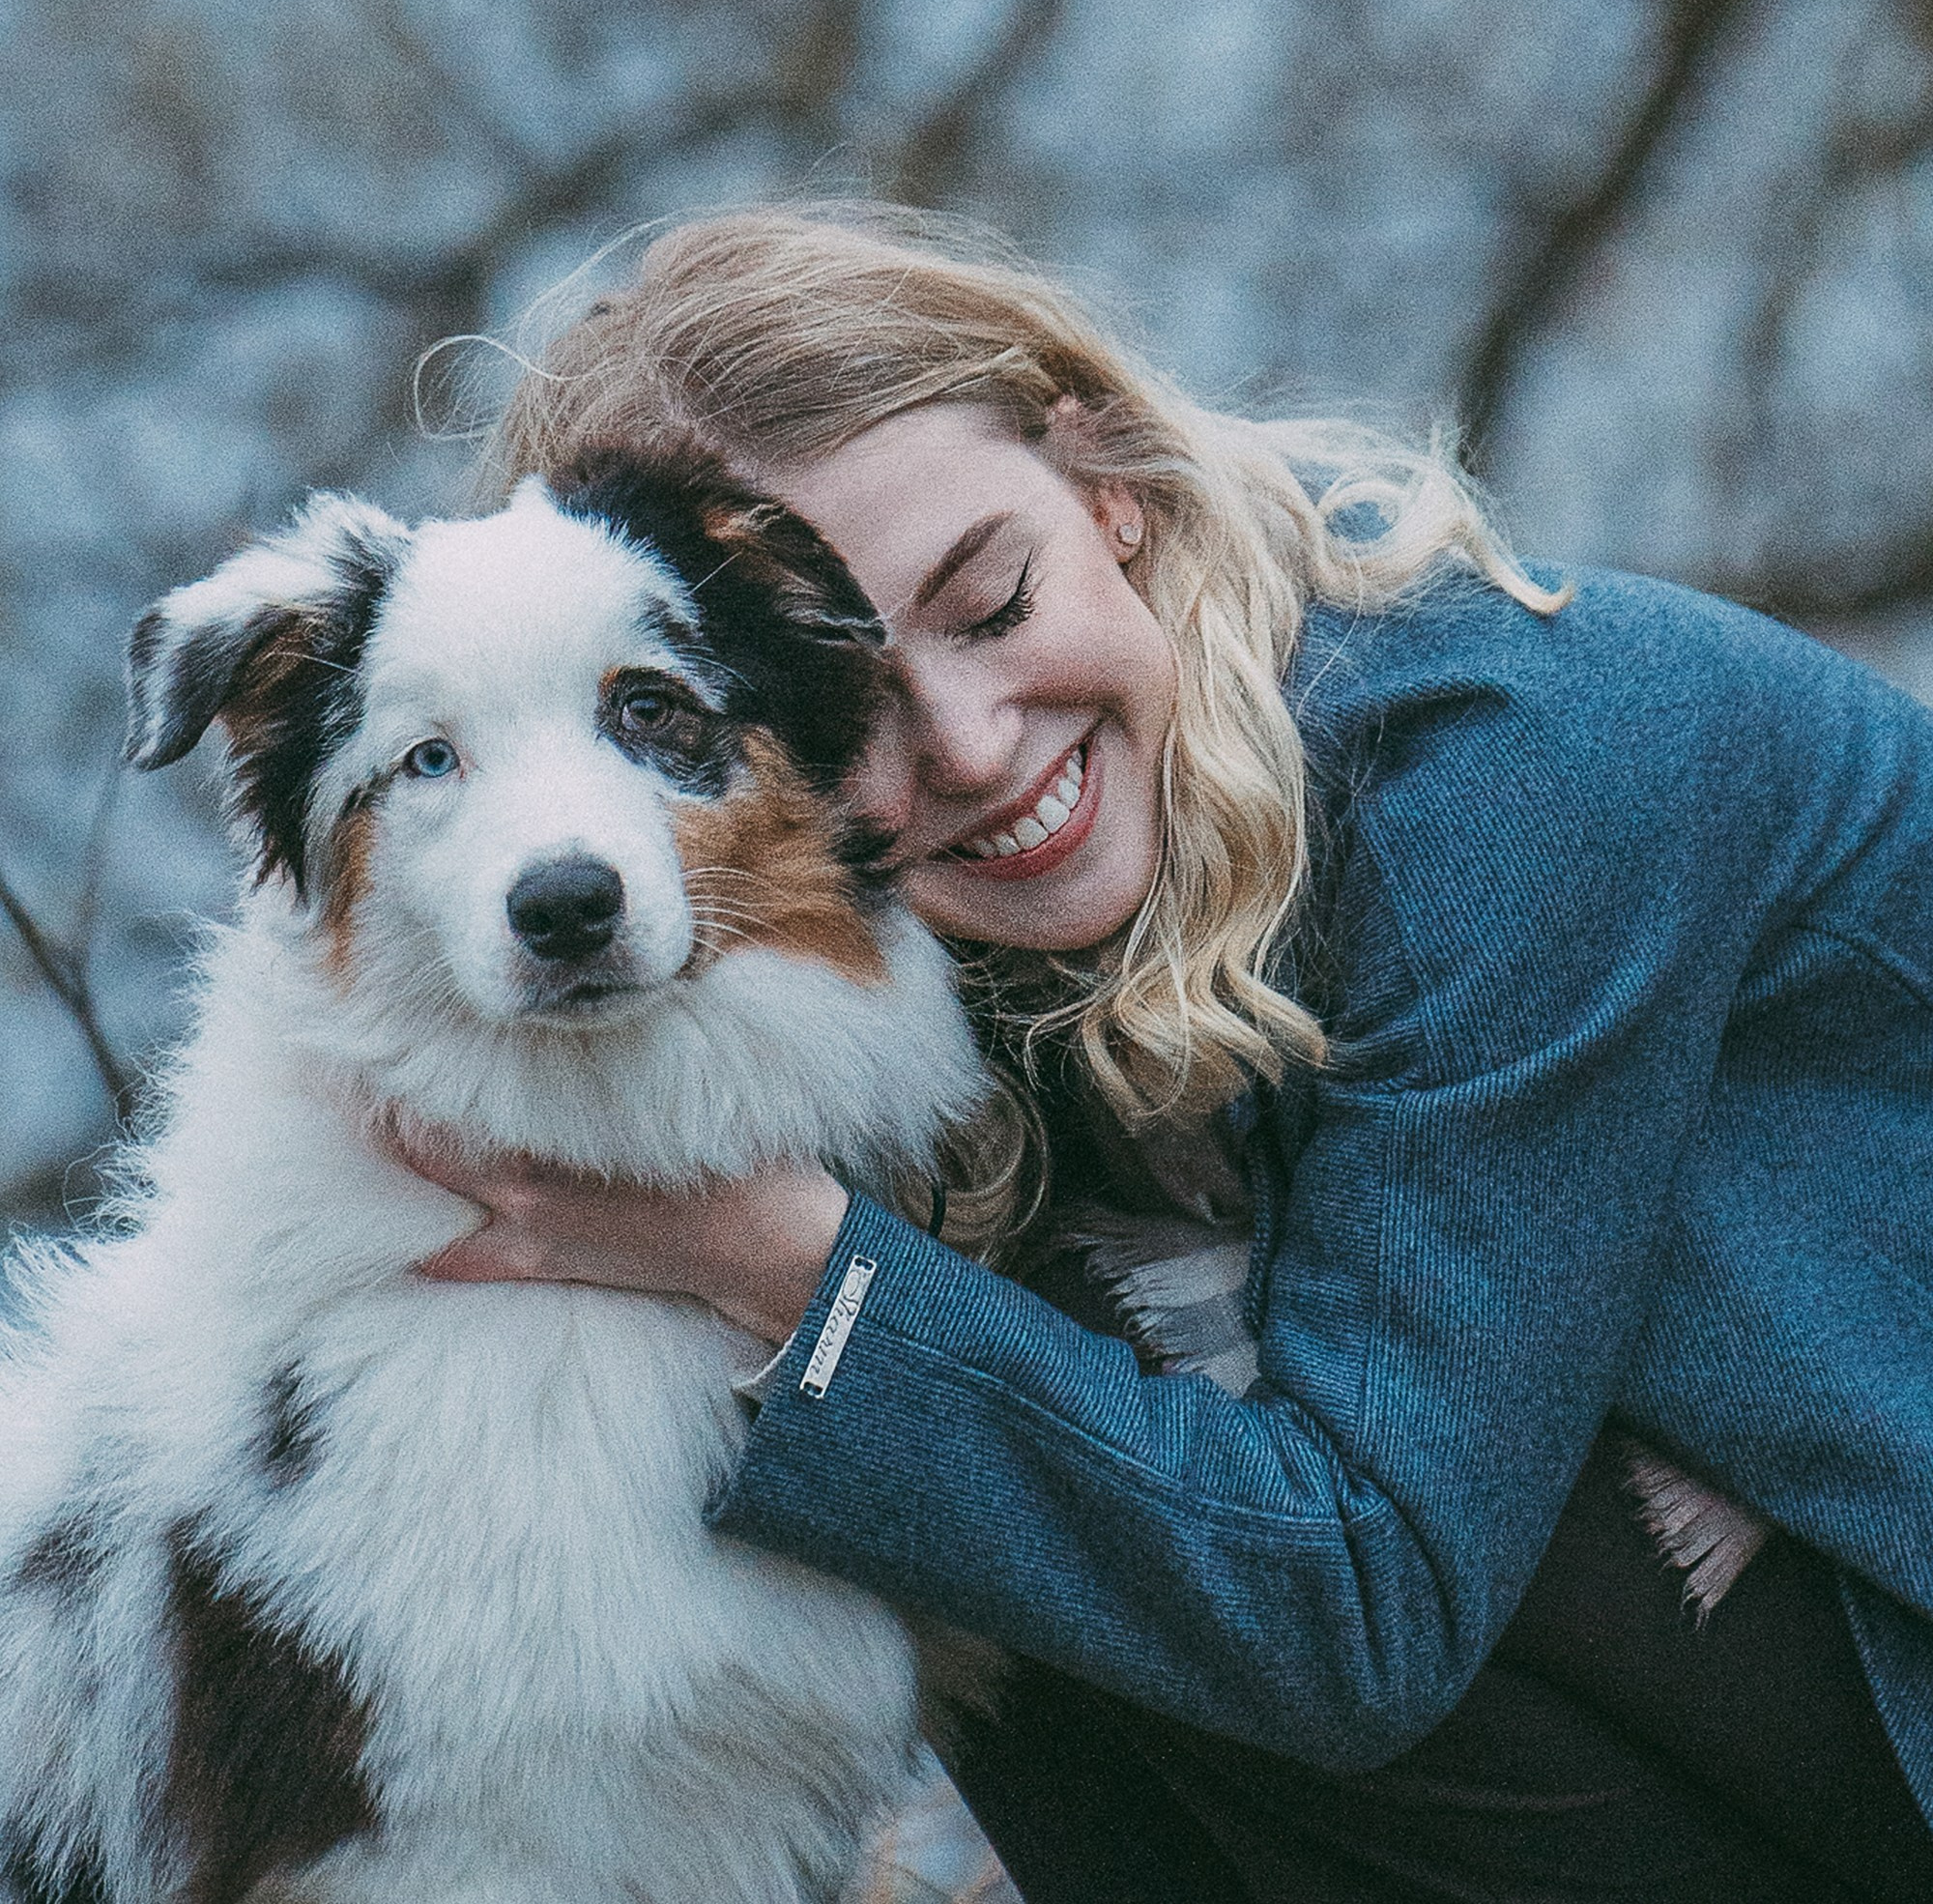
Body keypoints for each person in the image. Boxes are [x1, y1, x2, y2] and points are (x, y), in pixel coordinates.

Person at [397, 203, 1933, 1902]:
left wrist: (790, 1267)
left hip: (1877, 1627)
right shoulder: (908, 938)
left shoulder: (1518, 767)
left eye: (992, 597)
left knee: (1020, 1447)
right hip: (1663, 1623)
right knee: (1012, 1465)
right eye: (844, 713)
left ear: (1103, 480)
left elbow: (1360, 1604)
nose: (971, 750)